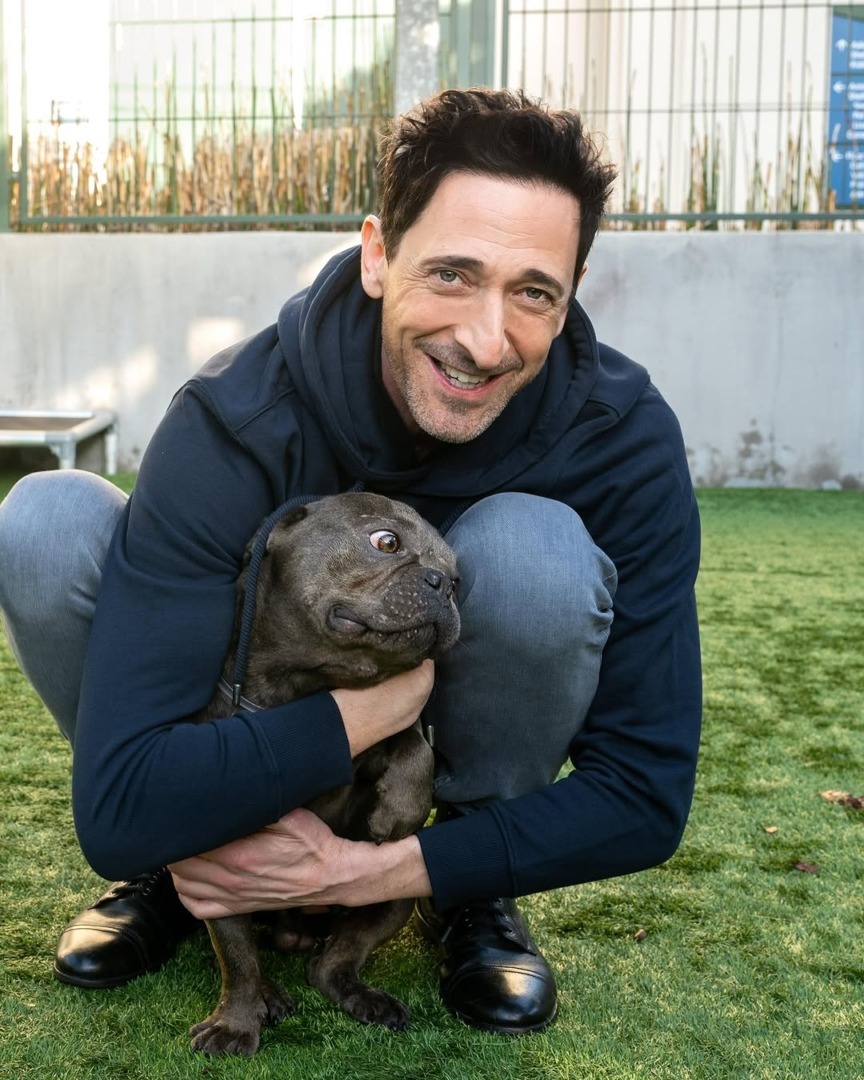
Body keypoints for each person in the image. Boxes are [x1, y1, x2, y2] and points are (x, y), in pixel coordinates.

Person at [0, 88, 701, 1036]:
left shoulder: (623, 438)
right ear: (377, 255)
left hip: (433, 783)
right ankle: (189, 863)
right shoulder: (235, 418)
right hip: (241, 713)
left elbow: (644, 796)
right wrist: (372, 709)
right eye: (451, 273)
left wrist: (371, 871)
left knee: (534, 554)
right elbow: (115, 807)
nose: (484, 339)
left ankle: (471, 888)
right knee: (46, 522)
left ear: (573, 292)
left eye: (534, 292)